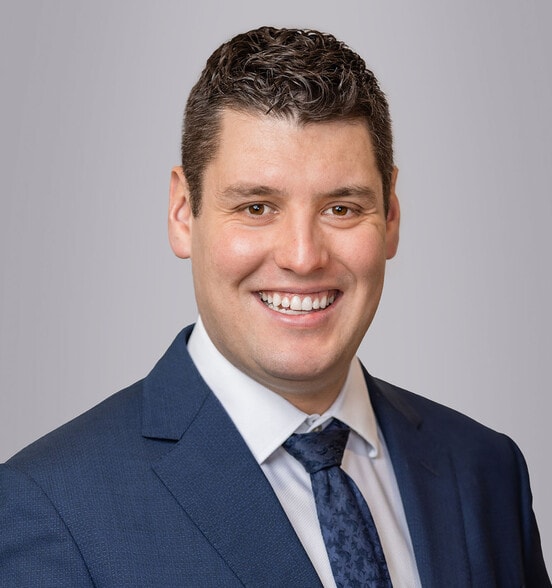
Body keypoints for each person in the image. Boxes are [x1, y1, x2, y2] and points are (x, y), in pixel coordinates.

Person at [0, 26, 549, 587]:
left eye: (341, 208)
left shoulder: (487, 471)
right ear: (183, 212)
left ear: (390, 217)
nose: (303, 257)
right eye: (257, 207)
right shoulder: (50, 510)